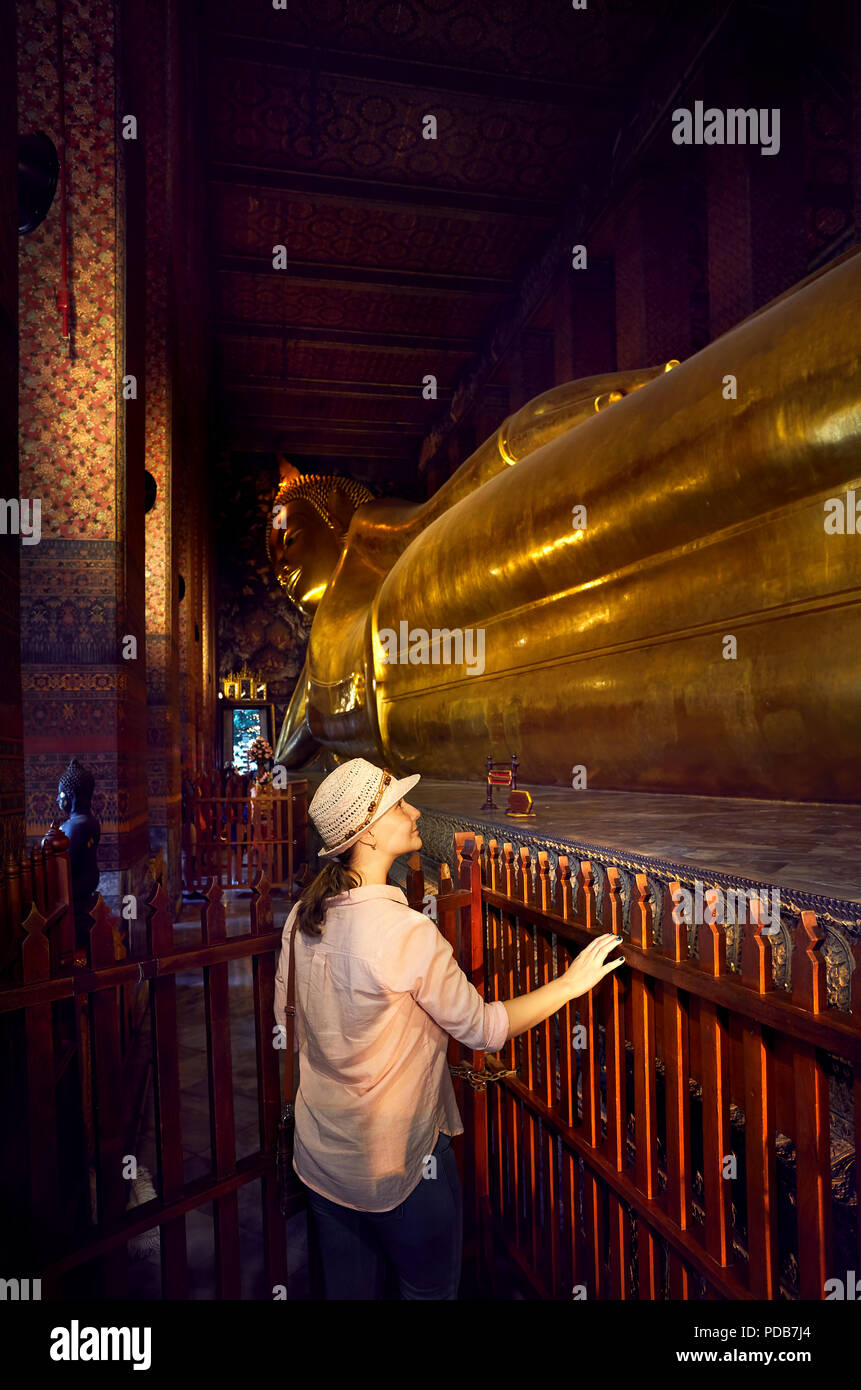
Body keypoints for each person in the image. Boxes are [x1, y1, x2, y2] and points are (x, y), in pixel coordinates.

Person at [273, 757, 624, 1300]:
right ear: (365, 835)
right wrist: (570, 985)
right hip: (402, 1166)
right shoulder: (404, 931)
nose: (415, 811)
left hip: (321, 1158)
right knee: (428, 1292)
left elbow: (288, 1030)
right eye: (398, 806)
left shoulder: (301, 918)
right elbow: (484, 1028)